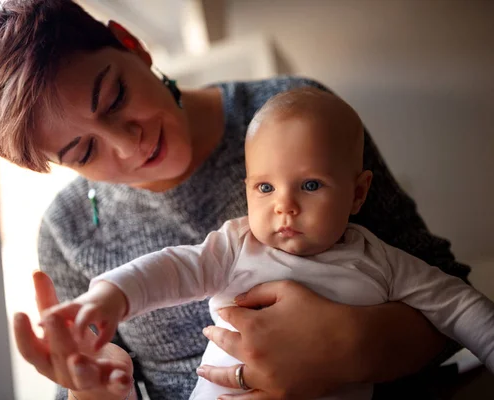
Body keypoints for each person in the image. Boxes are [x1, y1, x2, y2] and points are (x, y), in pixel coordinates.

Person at [0, 1, 474, 399]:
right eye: (84, 150)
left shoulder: (296, 118)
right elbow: (94, 375)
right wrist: (100, 392)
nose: (129, 144)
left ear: (131, 43)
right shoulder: (66, 231)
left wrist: (356, 347)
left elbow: (448, 295)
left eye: (115, 98)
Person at [43, 88, 494, 400]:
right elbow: (172, 269)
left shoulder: (382, 262)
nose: (285, 206)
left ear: (358, 193)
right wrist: (110, 297)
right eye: (265, 189)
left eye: (311, 185)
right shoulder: (237, 244)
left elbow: (459, 307)